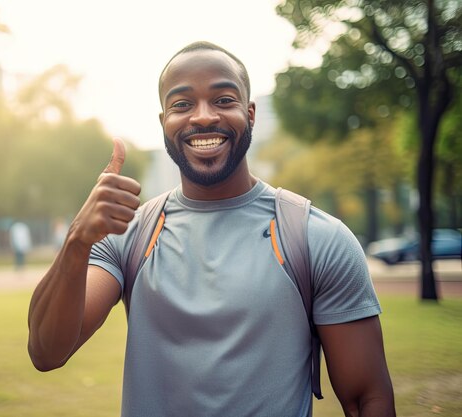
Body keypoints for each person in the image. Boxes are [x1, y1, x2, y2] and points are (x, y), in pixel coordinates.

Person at [28, 41, 396, 416]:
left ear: (249, 114)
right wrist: (77, 240)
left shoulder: (318, 238)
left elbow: (367, 398)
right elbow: (46, 352)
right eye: (182, 104)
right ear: (163, 123)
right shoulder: (128, 235)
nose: (202, 117)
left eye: (223, 100)